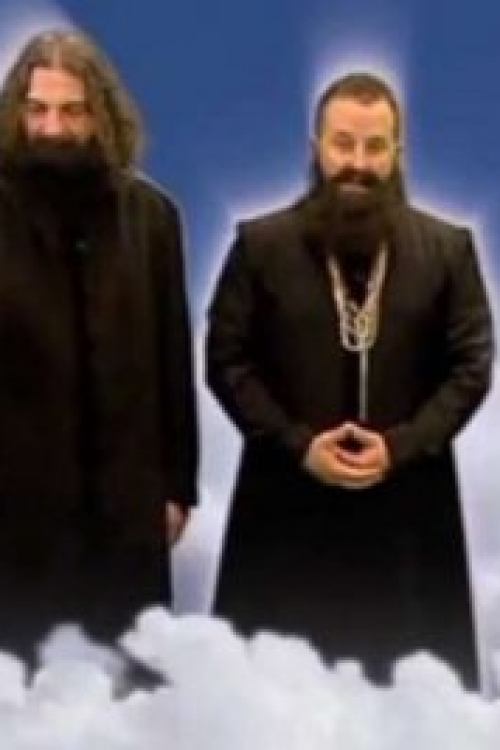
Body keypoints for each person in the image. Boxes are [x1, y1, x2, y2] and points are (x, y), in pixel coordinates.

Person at [205, 72, 494, 688]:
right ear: (317, 147)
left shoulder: (448, 250)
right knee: (272, 706)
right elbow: (226, 361)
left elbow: (472, 367)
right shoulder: (261, 245)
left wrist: (401, 446)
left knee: (407, 706)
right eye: (343, 144)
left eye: (374, 147)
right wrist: (298, 444)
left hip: (410, 517)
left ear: (398, 152)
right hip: (284, 509)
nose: (357, 164)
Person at [0, 29, 198, 670]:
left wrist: (179, 488)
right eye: (37, 110)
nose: (53, 129)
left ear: (102, 115)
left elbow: (173, 357)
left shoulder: (152, 218)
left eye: (72, 111)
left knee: (125, 690)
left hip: (126, 511)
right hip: (17, 513)